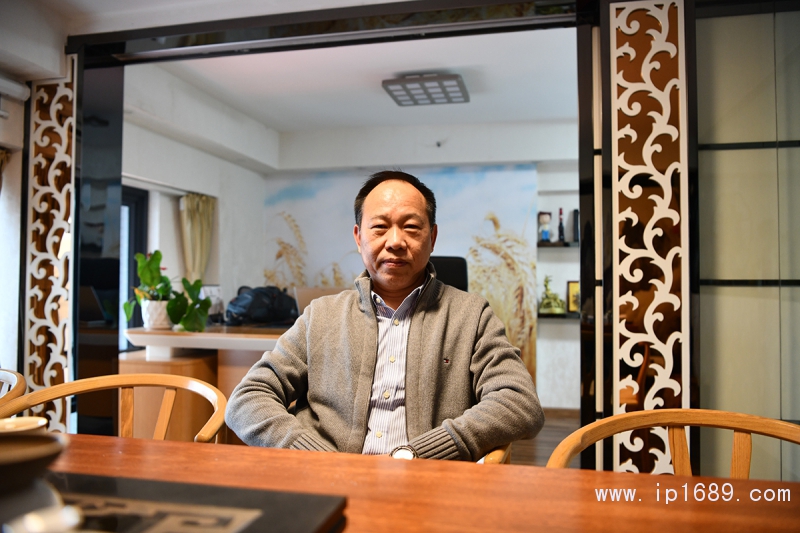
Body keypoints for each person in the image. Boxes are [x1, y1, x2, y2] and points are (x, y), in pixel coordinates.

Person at [226, 171, 544, 460]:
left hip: (429, 482)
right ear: (358, 236)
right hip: (324, 481)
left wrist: (424, 453)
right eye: (379, 227)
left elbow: (519, 402)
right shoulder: (321, 315)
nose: (395, 242)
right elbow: (248, 398)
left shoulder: (472, 316)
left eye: (411, 227)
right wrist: (313, 455)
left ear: (432, 238)